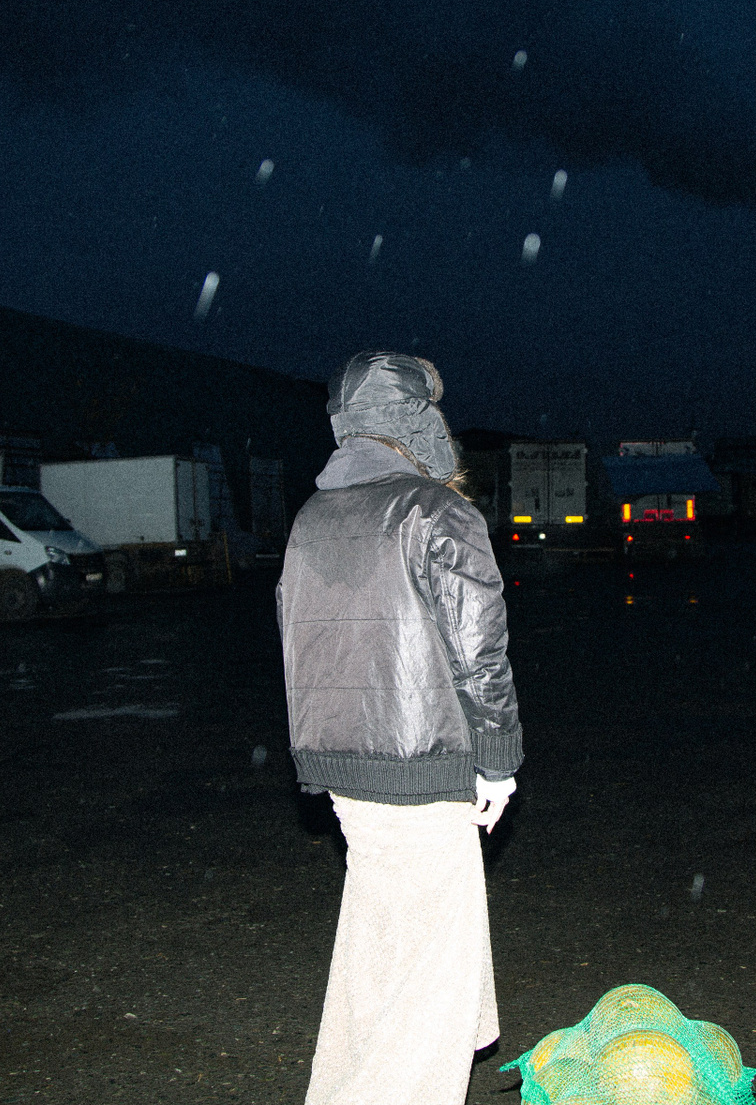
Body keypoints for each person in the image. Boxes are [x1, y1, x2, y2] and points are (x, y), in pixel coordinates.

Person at [278, 350, 523, 1105]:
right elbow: (478, 647)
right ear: (416, 422)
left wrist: (319, 752)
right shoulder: (434, 510)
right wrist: (498, 759)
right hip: (424, 763)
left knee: (381, 943)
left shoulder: (312, 517)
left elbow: (296, 637)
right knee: (426, 973)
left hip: (346, 769)